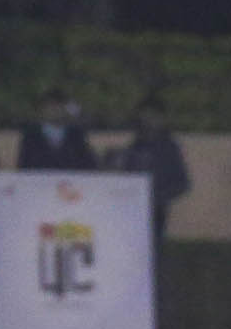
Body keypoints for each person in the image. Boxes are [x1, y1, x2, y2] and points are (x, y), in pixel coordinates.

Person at [109, 95, 190, 268]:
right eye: (144, 116)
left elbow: (182, 183)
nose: (147, 120)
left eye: (152, 116)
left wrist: (157, 197)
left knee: (152, 259)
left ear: (161, 118)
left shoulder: (169, 148)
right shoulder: (135, 146)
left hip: (155, 212)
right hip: (131, 212)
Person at [17, 89, 97, 171]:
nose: (54, 109)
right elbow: (23, 165)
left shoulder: (76, 135)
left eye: (58, 105)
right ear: (42, 108)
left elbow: (89, 164)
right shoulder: (31, 135)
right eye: (50, 105)